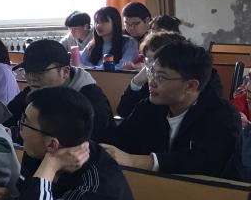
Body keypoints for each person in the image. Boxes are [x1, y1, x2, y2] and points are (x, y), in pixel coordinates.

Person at [0, 86, 140, 200]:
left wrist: (51, 164)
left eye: (25, 123)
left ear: (52, 144)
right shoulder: (38, 153)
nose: (20, 130)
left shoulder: (99, 183)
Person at [98, 42, 241, 176]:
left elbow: (205, 162)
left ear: (190, 86)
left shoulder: (223, 115)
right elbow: (120, 138)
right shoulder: (149, 107)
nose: (152, 82)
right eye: (152, 73)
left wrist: (137, 161)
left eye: (161, 77)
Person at [7, 40, 113, 140]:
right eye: (27, 71)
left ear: (65, 72)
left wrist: (16, 133)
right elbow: (6, 119)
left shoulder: (91, 99)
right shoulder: (34, 90)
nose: (31, 78)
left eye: (39, 72)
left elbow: (77, 140)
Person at [115, 31, 187, 118]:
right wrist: (136, 83)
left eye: (156, 60)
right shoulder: (148, 83)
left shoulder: (181, 85)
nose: (152, 66)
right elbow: (123, 112)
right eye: (148, 60)